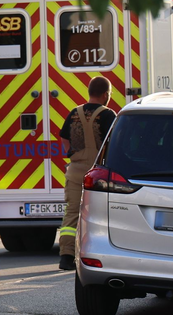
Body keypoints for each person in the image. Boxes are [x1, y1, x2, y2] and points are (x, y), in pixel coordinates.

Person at [57, 75, 116, 271]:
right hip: (98, 174)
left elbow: (64, 138)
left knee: (72, 213)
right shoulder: (108, 115)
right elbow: (114, 143)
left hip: (75, 171)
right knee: (101, 214)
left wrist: (73, 155)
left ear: (90, 92)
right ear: (106, 95)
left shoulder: (74, 112)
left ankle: (66, 256)